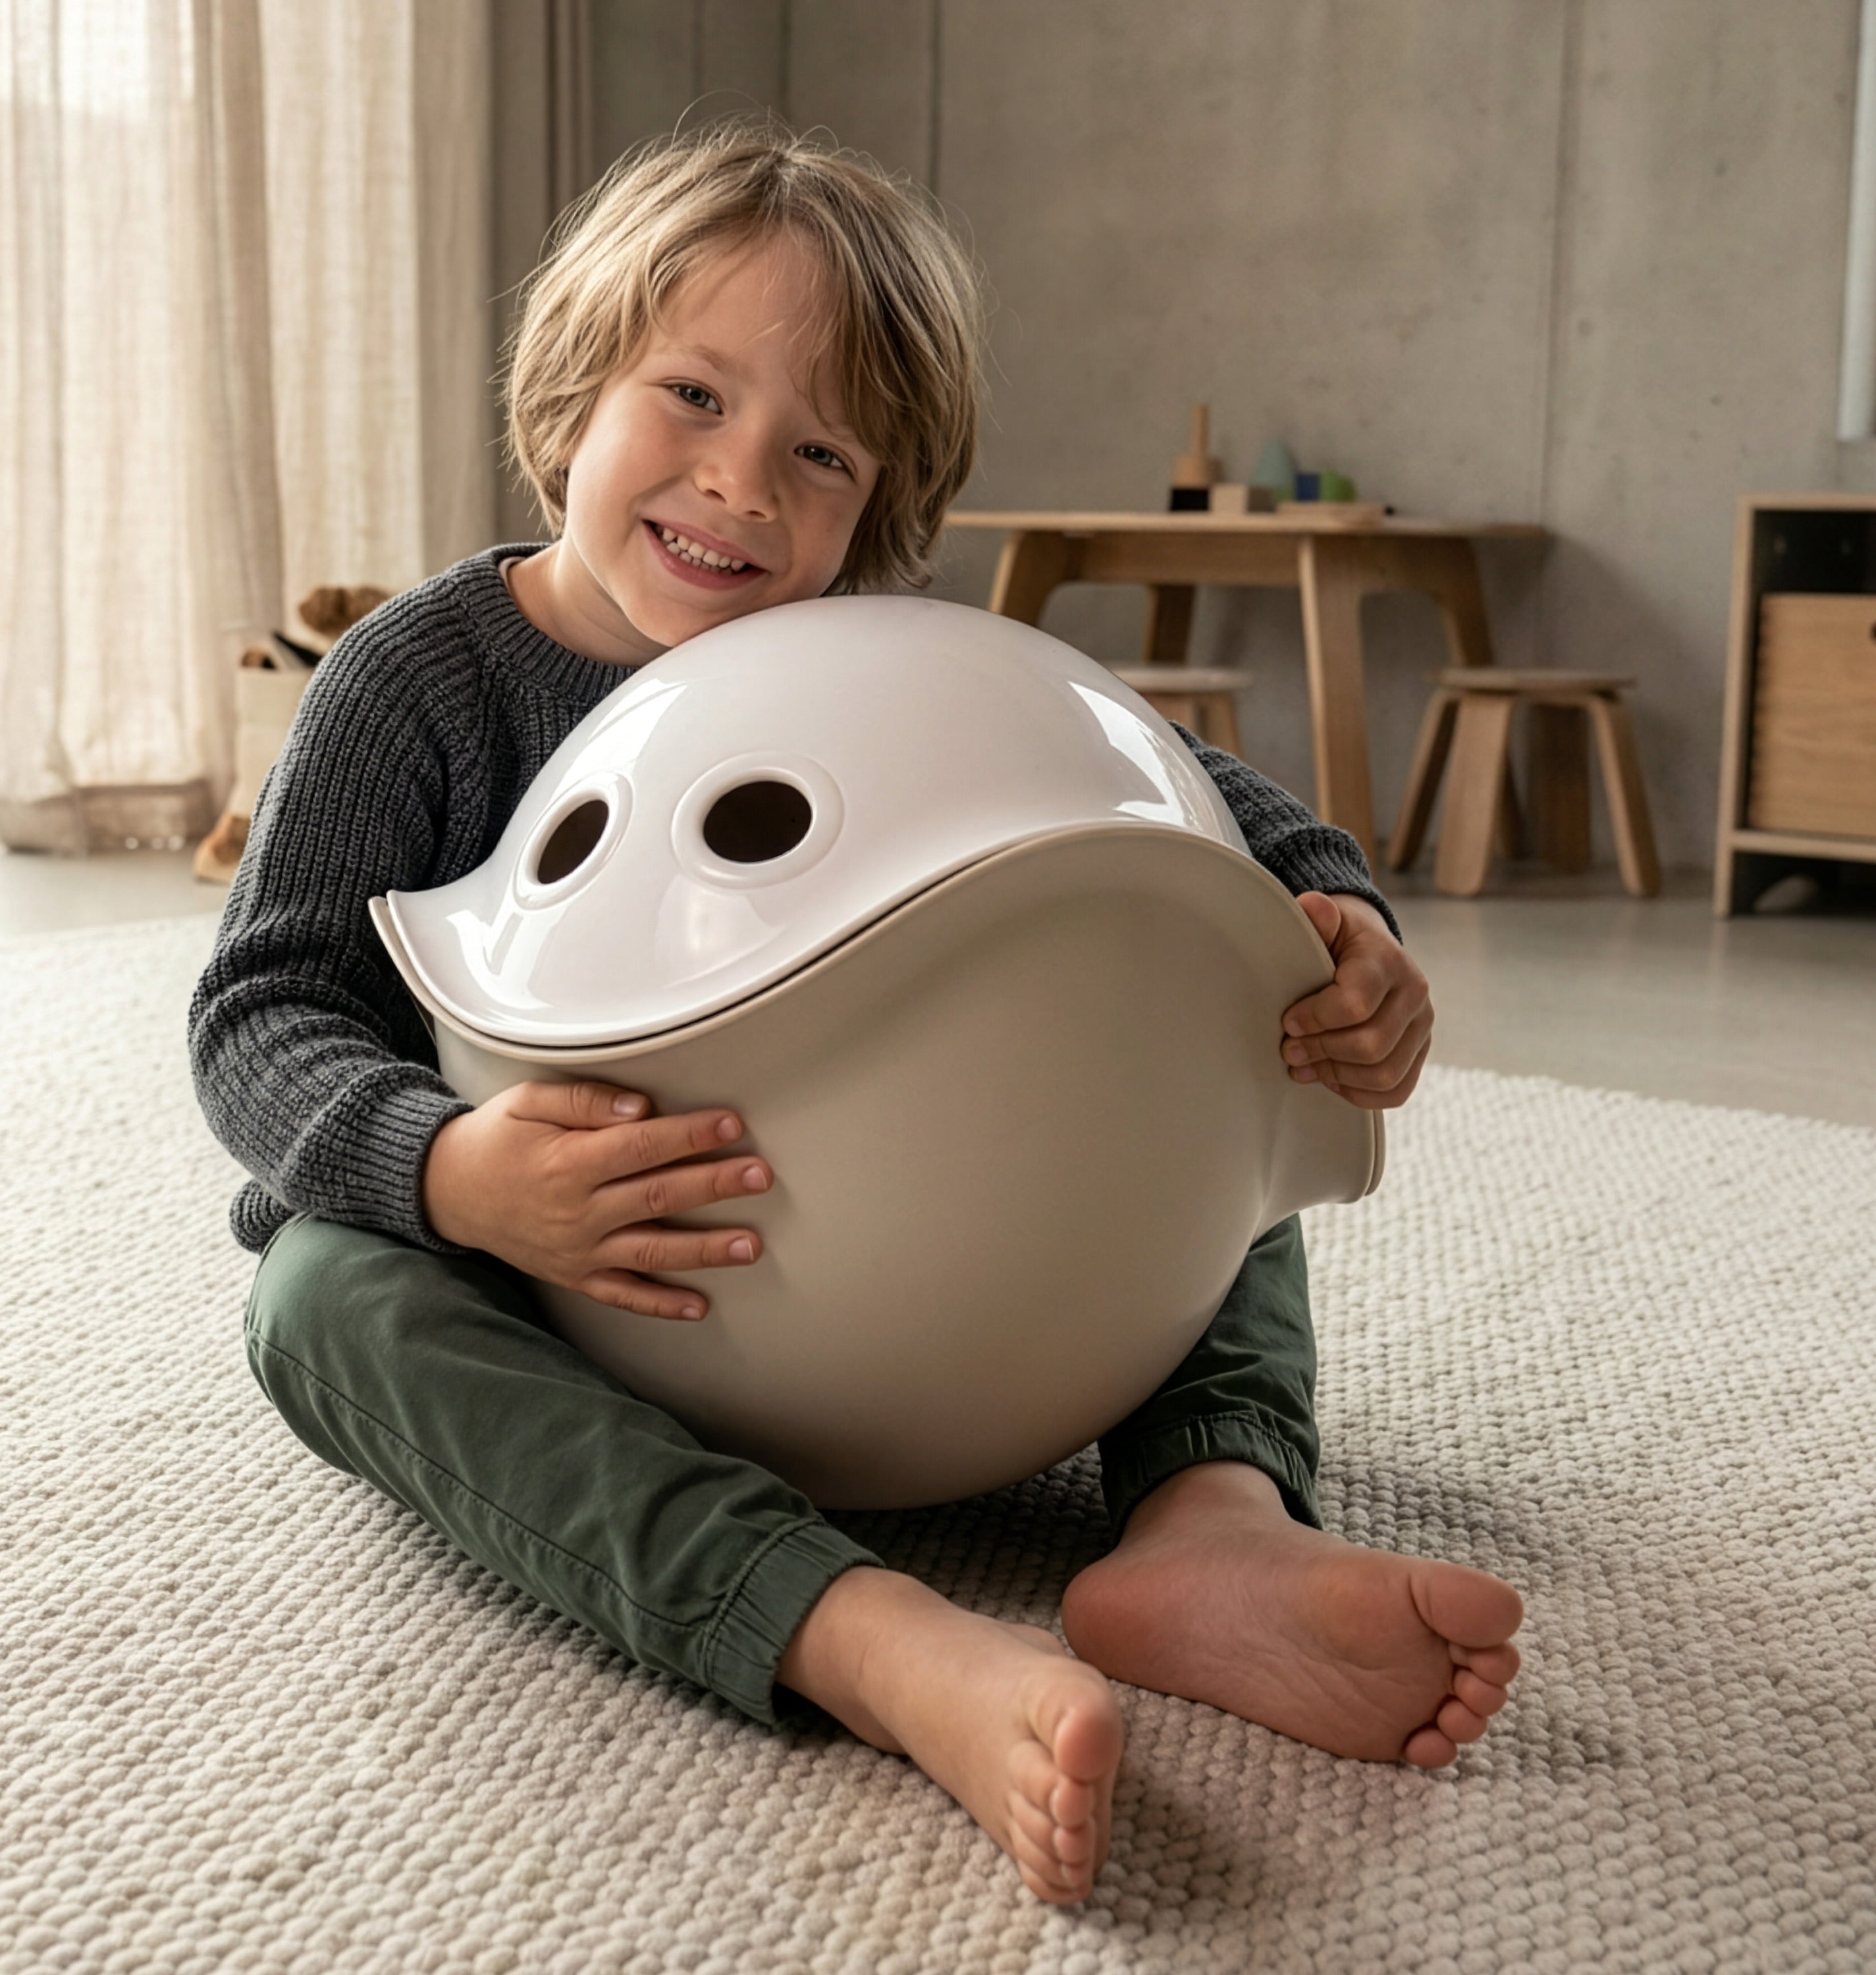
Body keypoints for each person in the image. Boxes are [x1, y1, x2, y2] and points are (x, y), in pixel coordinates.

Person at [190, 122, 1523, 1908]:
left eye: (816, 451)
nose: (740, 482)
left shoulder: (885, 669)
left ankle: (1211, 1532)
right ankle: (859, 1634)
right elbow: (259, 1010)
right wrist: (447, 1173)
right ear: (574, 393)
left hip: (930, 1304)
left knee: (1216, 1092)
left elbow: (1187, 789)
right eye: (690, 396)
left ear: (876, 510)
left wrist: (1338, 921)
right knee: (316, 1301)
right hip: (563, 1284)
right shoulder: (419, 680)